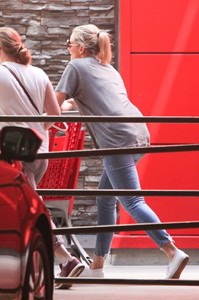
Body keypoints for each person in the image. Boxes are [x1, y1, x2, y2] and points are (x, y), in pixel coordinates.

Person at [55, 24, 190, 279]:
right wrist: (71, 104)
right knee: (105, 198)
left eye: (70, 43)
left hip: (117, 140)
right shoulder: (106, 68)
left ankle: (172, 251)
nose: (67, 47)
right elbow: (90, 97)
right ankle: (98, 262)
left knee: (132, 200)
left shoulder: (76, 66)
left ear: (81, 47)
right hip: (137, 133)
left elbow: (55, 101)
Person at [0, 26, 84, 289]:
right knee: (28, 206)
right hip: (40, 151)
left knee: (29, 208)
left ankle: (64, 258)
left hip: (14, 153)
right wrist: (34, 127)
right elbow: (54, 117)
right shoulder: (38, 73)